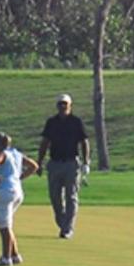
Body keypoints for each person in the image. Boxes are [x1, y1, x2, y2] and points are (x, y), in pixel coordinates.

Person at [36, 93, 91, 239]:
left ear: (70, 105)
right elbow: (45, 143)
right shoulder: (52, 122)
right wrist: (39, 162)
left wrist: (86, 162)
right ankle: (63, 223)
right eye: (60, 104)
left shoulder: (76, 122)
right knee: (55, 197)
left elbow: (84, 142)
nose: (62, 107)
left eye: (65, 104)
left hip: (71, 163)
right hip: (54, 163)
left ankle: (68, 228)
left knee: (71, 196)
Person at [0, 132, 38, 266]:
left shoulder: (4, 154)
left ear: (1, 144)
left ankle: (6, 258)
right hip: (18, 191)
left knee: (4, 226)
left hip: (6, 191)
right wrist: (20, 177)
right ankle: (15, 255)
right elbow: (34, 166)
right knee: (4, 224)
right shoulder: (17, 154)